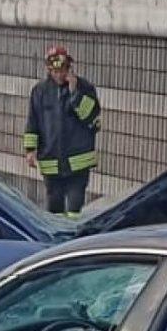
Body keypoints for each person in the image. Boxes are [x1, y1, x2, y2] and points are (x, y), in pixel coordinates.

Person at [22, 44, 100, 216]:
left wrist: (74, 94)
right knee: (54, 212)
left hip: (78, 162)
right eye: (54, 71)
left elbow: (91, 118)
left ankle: (72, 240)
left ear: (69, 68)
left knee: (74, 211)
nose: (59, 75)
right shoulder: (40, 91)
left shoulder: (85, 88)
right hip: (51, 162)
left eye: (63, 70)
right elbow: (33, 122)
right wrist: (30, 150)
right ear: (49, 70)